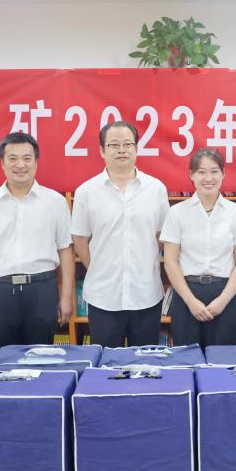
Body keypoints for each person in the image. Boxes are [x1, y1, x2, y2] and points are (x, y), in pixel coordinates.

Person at [0, 132, 73, 352]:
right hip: (0, 291)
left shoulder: (55, 201)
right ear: (2, 163)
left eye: (27, 158)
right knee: (3, 358)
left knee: (41, 357)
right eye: (13, 159)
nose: (20, 165)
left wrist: (66, 297)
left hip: (42, 289)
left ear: (36, 162)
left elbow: (65, 252)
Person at [70, 121, 169, 348]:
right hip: (103, 296)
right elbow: (80, 240)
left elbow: (162, 236)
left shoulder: (156, 189)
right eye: (114, 145)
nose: (122, 150)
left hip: (146, 293)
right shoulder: (87, 191)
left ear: (136, 148)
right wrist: (99, 267)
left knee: (145, 362)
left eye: (127, 144)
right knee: (105, 364)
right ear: (102, 151)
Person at [161, 148, 236, 348]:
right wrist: (191, 301)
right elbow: (170, 262)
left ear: (223, 174)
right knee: (187, 360)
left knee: (221, 361)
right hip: (186, 295)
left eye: (214, 171)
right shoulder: (177, 213)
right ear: (191, 175)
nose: (208, 178)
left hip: (224, 295)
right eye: (201, 172)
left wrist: (223, 299)